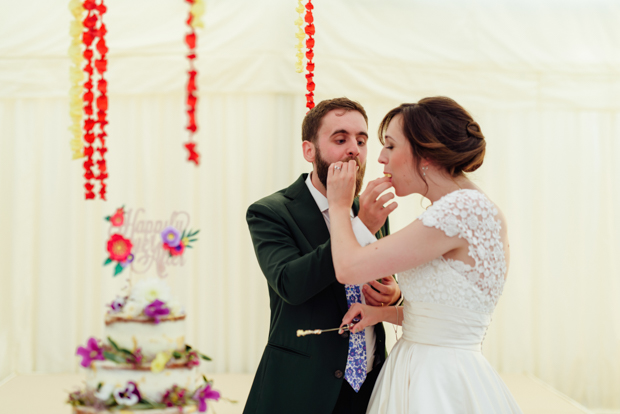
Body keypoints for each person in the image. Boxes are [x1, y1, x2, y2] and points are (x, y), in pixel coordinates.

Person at [326, 97, 523, 413]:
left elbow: (349, 268)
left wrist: (339, 205)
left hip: (436, 380)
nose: (380, 157)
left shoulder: (460, 210)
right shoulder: (469, 206)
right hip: (425, 366)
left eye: (390, 146)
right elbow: (448, 317)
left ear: (425, 154)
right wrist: (382, 313)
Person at [244, 97, 402, 414]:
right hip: (302, 388)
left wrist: (393, 293)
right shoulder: (271, 212)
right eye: (340, 139)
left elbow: (387, 283)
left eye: (361, 140)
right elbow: (291, 284)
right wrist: (361, 227)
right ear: (309, 150)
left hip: (371, 384)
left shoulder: (369, 209)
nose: (354, 149)